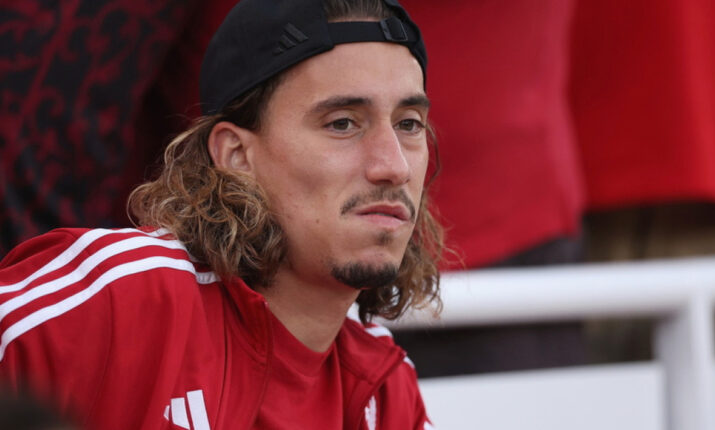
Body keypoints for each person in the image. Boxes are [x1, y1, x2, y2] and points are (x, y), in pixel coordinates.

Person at [0, 0, 443, 428]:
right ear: (236, 156)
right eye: (342, 123)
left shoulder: (384, 392)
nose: (394, 167)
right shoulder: (118, 301)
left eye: (409, 124)